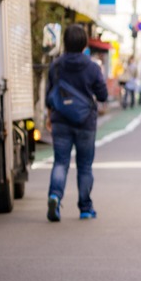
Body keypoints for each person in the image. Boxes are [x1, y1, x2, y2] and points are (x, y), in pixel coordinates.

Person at [44, 24, 109, 222]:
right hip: (85, 121)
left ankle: (55, 196)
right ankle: (85, 208)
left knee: (61, 162)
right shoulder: (92, 67)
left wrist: (49, 116)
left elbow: (49, 95)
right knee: (85, 166)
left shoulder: (56, 65)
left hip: (61, 121)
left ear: (65, 42)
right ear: (84, 43)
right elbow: (103, 95)